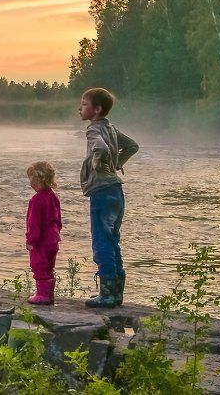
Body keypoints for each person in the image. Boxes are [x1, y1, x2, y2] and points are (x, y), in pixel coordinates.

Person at [78, 87, 140, 308]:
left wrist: (98, 163)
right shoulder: (111, 128)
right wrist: (116, 164)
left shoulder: (93, 130)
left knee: (101, 242)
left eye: (84, 104)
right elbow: (133, 146)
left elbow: (100, 148)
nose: (80, 108)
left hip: (101, 192)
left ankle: (106, 296)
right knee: (113, 241)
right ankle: (116, 294)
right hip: (116, 190)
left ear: (97, 110)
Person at [25, 161, 62, 305]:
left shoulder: (36, 200)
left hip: (41, 240)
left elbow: (34, 224)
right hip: (53, 238)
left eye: (32, 180)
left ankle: (42, 294)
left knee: (39, 265)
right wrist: (57, 232)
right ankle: (49, 294)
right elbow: (58, 218)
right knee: (49, 266)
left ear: (39, 180)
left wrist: (30, 241)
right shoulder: (53, 196)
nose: (31, 184)